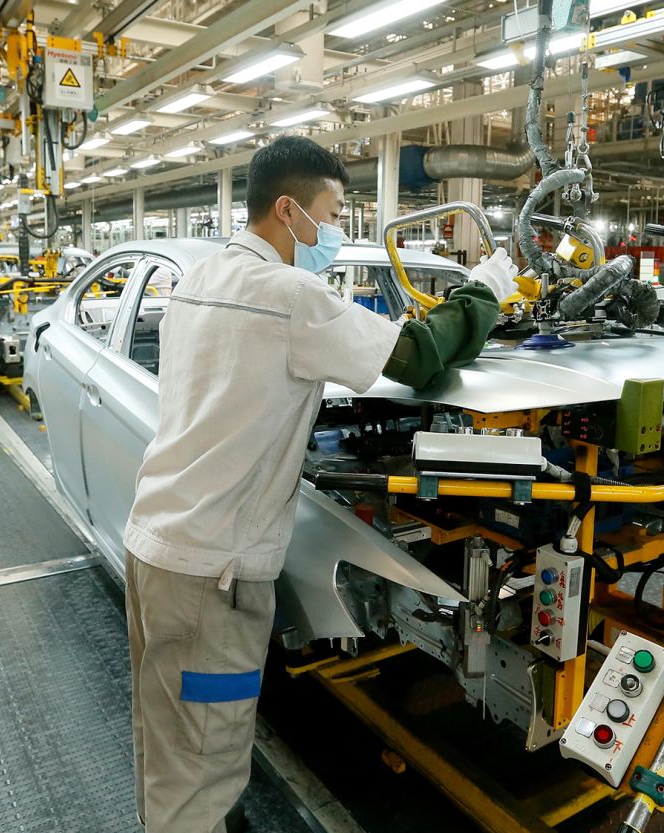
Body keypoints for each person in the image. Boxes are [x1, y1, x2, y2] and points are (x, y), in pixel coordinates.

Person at [120, 135, 518, 833]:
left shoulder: (201, 279)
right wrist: (483, 293)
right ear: (287, 209)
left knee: (171, 738)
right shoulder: (289, 294)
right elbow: (416, 356)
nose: (336, 231)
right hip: (212, 574)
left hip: (156, 546)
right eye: (332, 213)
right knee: (204, 758)